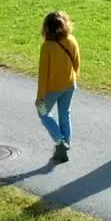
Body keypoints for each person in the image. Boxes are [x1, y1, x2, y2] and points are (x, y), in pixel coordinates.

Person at [36, 11, 80, 164]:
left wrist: (40, 97)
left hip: (54, 88)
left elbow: (43, 74)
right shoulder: (71, 40)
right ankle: (65, 147)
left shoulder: (47, 46)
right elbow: (76, 63)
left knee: (42, 113)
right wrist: (73, 79)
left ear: (46, 28)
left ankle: (60, 143)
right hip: (70, 85)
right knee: (65, 114)